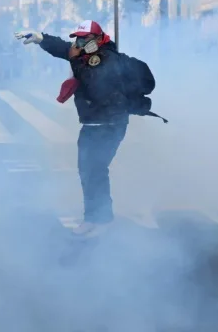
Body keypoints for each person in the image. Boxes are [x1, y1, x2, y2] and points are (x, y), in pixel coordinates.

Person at [15, 20, 164, 238]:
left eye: (84, 39)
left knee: (95, 170)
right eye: (78, 38)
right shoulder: (86, 56)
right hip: (94, 124)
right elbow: (64, 49)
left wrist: (76, 62)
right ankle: (94, 217)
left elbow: (96, 85)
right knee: (88, 171)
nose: (79, 42)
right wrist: (41, 38)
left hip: (109, 124)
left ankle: (101, 219)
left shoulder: (106, 61)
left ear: (97, 40)